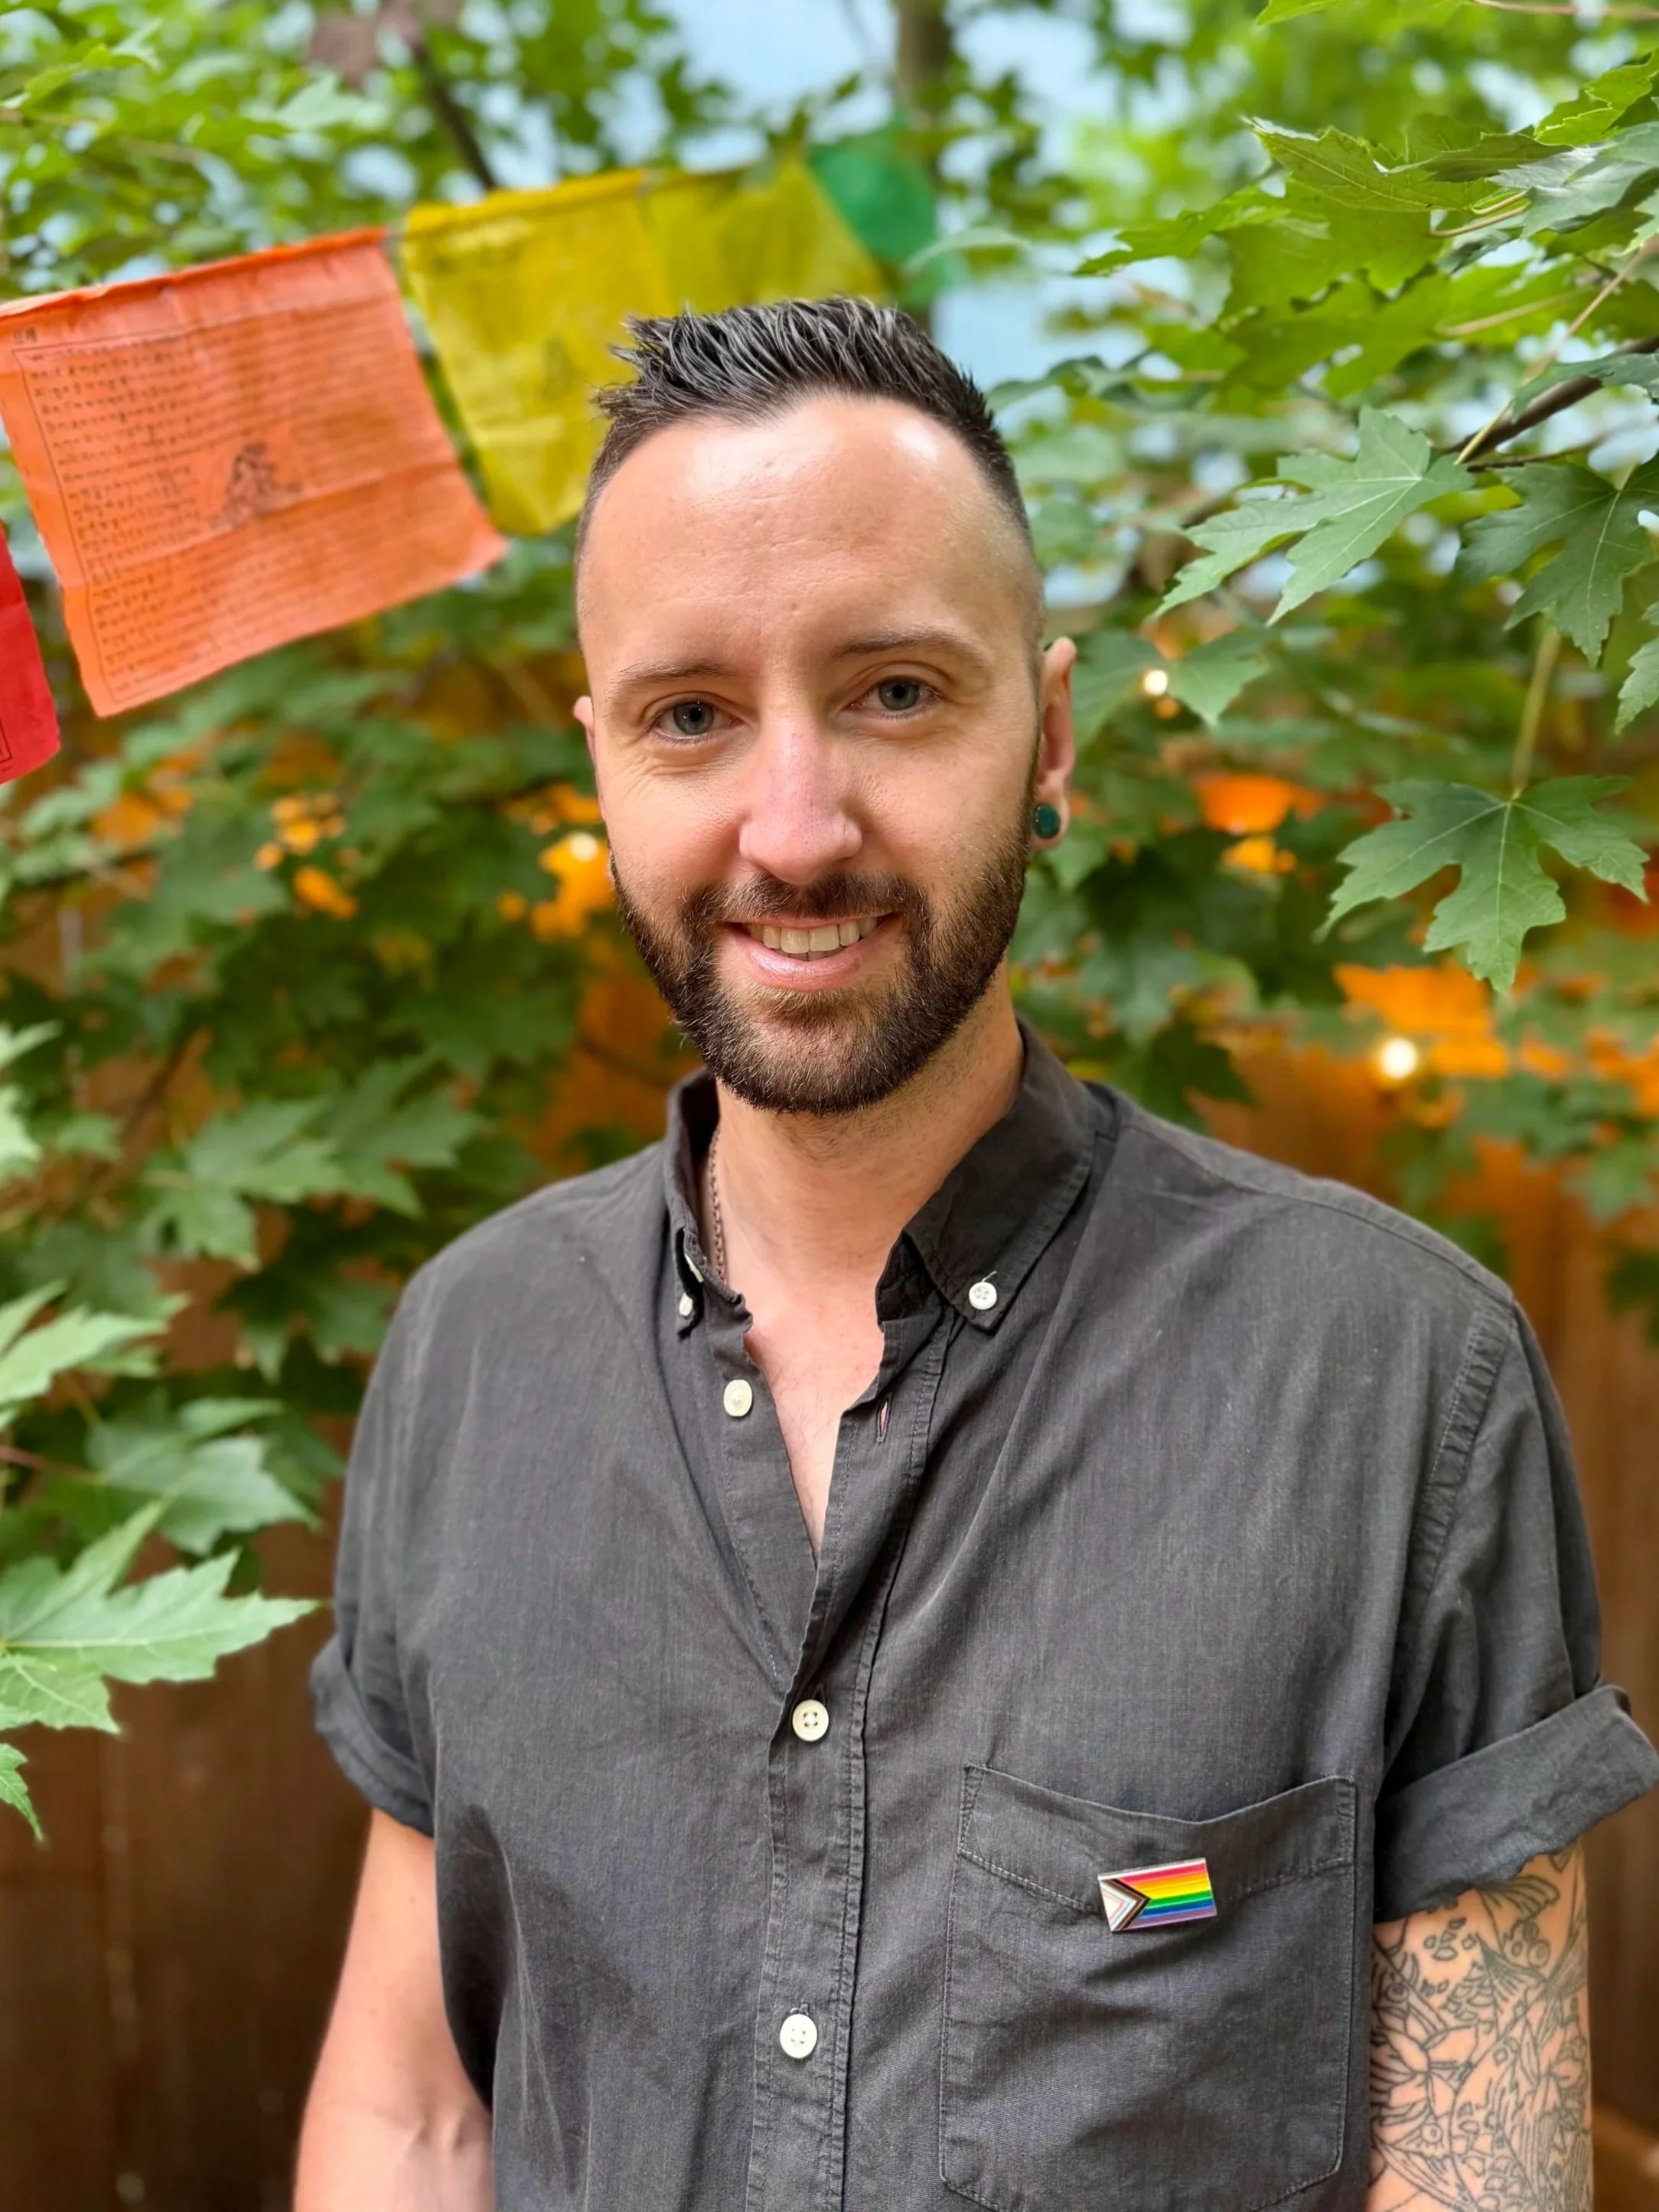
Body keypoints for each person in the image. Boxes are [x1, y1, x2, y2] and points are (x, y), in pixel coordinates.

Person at [295, 297, 1658, 2212]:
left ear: (1052, 731)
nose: (794, 828)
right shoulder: (469, 1348)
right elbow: (416, 2112)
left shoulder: (1393, 1380)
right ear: (598, 758)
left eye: (894, 691)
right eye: (691, 714)